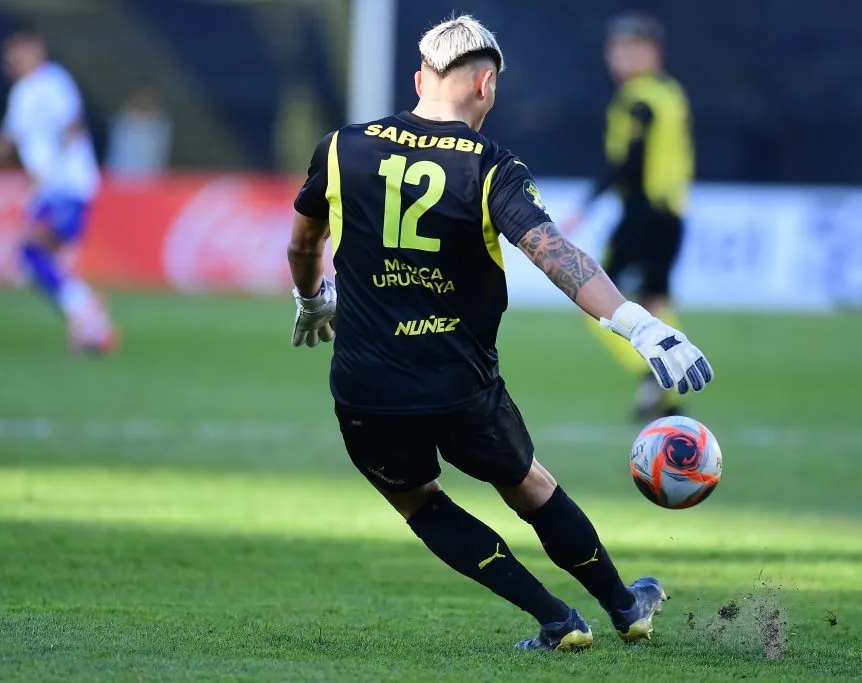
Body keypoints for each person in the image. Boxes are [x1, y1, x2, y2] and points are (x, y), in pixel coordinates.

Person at [286, 15, 713, 651]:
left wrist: (311, 298)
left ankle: (555, 619)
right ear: (486, 86)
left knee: (417, 502)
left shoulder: (341, 148)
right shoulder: (491, 166)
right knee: (530, 485)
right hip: (461, 383)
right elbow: (553, 254)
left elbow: (303, 243)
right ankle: (625, 607)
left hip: (367, 384)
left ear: (419, 80)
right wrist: (639, 324)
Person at [0, 29, 115, 353]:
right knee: (35, 258)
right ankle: (89, 322)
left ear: (37, 51)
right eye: (8, 57)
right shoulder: (22, 93)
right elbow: (7, 144)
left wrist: (55, 167)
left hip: (65, 185)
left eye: (16, 54)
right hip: (47, 188)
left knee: (35, 250)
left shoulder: (53, 82)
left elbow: (73, 124)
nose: (10, 62)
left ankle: (86, 311)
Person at [562, 13, 694, 422]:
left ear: (654, 53)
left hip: (643, 213)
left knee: (597, 298)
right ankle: (672, 383)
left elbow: (627, 162)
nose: (622, 58)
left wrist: (586, 203)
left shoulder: (636, 99)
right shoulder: (671, 93)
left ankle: (653, 371)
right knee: (655, 299)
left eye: (632, 49)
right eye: (618, 50)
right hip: (672, 213)